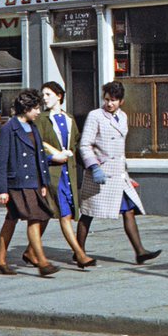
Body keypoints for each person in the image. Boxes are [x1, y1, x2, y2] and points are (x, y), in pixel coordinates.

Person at [76, 81, 161, 265]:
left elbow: (120, 149)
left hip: (118, 175)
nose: (109, 104)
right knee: (88, 213)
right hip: (99, 174)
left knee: (128, 210)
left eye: (113, 100)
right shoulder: (95, 116)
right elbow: (85, 145)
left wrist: (126, 174)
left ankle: (140, 252)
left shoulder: (122, 117)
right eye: (106, 99)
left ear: (121, 101)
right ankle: (79, 251)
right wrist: (94, 167)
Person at [0, 88, 60, 277]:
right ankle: (42, 262)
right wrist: (2, 190)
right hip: (17, 183)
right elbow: (1, 161)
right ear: (26, 108)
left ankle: (0, 260)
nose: (39, 112)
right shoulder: (9, 129)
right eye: (36, 108)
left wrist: (43, 183)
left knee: (12, 219)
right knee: (35, 217)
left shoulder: (33, 126)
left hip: (33, 182)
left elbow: (39, 156)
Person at [29, 81, 96, 269]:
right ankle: (80, 254)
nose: (45, 98)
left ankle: (29, 251)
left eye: (49, 94)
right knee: (64, 215)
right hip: (53, 173)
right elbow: (38, 145)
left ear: (59, 96)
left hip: (69, 174)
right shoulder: (41, 119)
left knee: (48, 214)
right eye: (43, 95)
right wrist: (54, 156)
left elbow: (76, 144)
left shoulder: (69, 118)